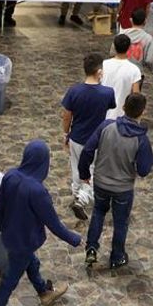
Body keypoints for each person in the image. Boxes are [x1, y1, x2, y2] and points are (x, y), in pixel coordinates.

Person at [0, 140, 82, 306]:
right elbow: (53, 224)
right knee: (11, 277)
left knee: (32, 263)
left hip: (10, 235)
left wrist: (3, 227)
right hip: (25, 241)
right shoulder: (37, 191)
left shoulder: (11, 176)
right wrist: (75, 239)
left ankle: (44, 292)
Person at [79, 93, 153, 269]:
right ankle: (117, 256)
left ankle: (91, 248)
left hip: (101, 182)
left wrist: (84, 173)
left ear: (123, 107)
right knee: (121, 222)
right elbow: (143, 170)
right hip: (123, 188)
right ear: (142, 111)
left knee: (98, 212)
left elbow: (88, 150)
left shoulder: (106, 126)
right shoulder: (141, 139)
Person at [62, 54, 116, 221]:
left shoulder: (73, 91)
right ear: (99, 72)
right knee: (93, 171)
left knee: (76, 167)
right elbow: (110, 108)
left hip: (76, 137)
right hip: (96, 140)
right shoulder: (107, 93)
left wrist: (66, 133)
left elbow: (66, 115)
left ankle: (77, 194)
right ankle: (82, 199)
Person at [102, 34, 142, 120]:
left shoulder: (104, 65)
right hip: (121, 115)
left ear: (114, 46)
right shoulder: (134, 70)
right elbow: (136, 96)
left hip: (102, 112)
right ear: (129, 48)